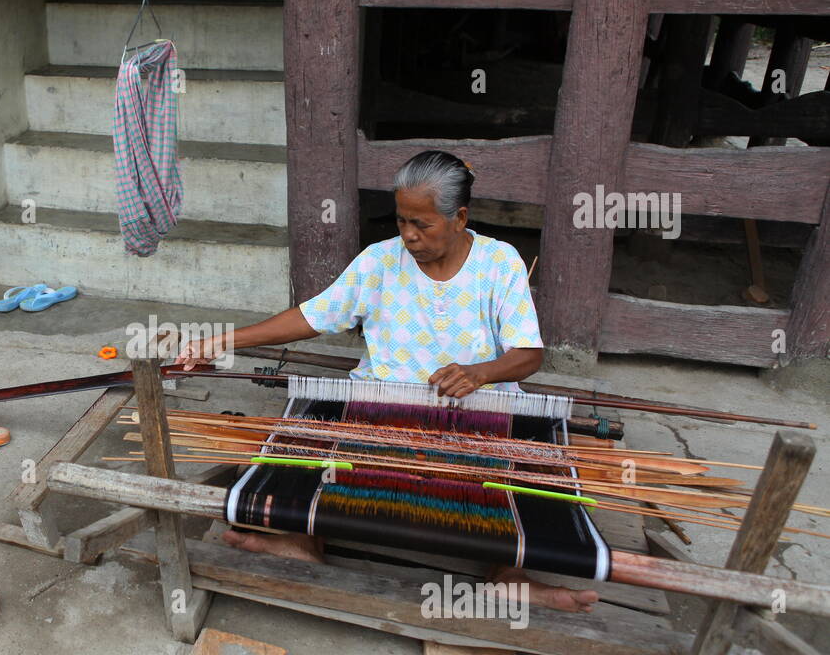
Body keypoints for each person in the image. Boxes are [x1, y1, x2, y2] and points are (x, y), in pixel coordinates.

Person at [175, 150, 598, 613]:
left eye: (423, 224)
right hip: (381, 404)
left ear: (459, 218)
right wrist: (224, 340)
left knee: (510, 471)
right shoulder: (379, 262)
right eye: (401, 221)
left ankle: (508, 571)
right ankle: (304, 540)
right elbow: (314, 316)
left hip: (476, 410)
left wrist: (480, 373)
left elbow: (528, 355)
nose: (409, 236)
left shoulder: (500, 263)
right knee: (314, 432)